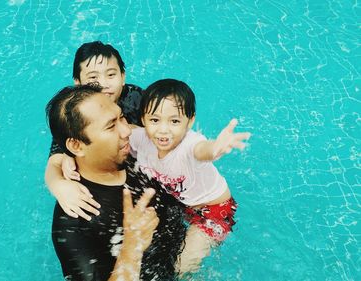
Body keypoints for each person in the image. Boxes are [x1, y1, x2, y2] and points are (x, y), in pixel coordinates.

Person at [61, 79, 251, 274]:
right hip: (186, 204)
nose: (163, 130)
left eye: (175, 121)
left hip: (214, 211)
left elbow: (203, 150)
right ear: (142, 119)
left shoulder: (189, 145)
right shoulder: (139, 139)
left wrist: (216, 147)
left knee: (181, 267)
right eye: (154, 120)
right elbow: (95, 146)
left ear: (190, 121)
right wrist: (67, 158)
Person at [45, 84, 186, 280]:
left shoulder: (137, 152)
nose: (127, 130)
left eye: (121, 117)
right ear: (77, 145)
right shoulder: (75, 223)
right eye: (111, 126)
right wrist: (131, 248)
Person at [46, 41, 143, 221]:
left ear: (123, 76)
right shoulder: (74, 116)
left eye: (111, 74)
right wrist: (59, 186)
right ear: (78, 83)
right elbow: (53, 164)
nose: (103, 84)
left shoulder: (135, 98)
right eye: (92, 78)